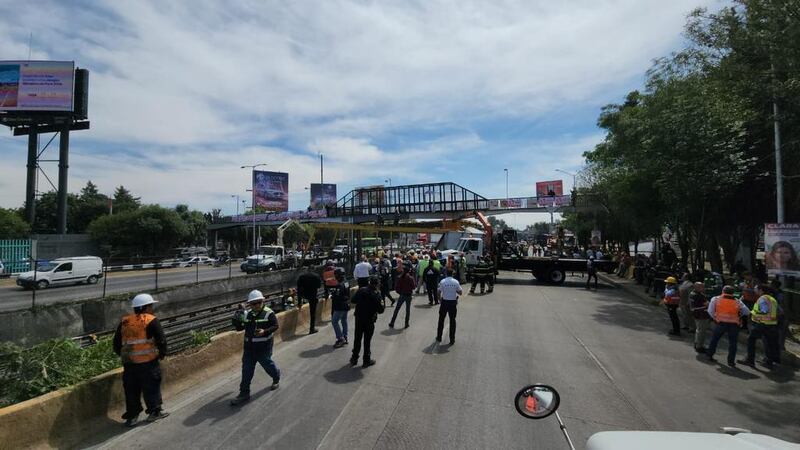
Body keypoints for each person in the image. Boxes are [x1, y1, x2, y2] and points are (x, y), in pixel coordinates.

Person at [113, 293, 168, 427]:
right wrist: (161, 354)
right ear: (146, 307)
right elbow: (161, 340)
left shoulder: (125, 321)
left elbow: (116, 344)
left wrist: (125, 356)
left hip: (130, 364)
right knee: (151, 387)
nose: (152, 308)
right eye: (151, 305)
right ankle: (154, 412)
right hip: (148, 362)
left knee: (131, 390)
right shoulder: (150, 320)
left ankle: (132, 416)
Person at [230, 290, 281, 405]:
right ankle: (244, 393)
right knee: (246, 370)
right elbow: (240, 328)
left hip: (263, 347)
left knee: (268, 365)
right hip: (249, 348)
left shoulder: (269, 313)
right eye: (254, 303)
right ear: (250, 304)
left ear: (263, 301)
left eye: (259, 302)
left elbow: (275, 326)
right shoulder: (247, 314)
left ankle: (276, 376)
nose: (257, 305)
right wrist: (237, 322)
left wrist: (264, 331)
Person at [706, 285, 751, 367]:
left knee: (714, 340)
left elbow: (710, 311)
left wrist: (715, 318)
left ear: (723, 291)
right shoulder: (737, 301)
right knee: (733, 343)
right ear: (733, 293)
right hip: (734, 325)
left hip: (720, 323)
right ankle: (731, 362)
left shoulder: (715, 299)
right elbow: (747, 312)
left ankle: (709, 355)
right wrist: (739, 315)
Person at [739, 285, 781, 369]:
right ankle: (769, 362)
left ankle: (750, 360)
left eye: (755, 289)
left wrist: (752, 313)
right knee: (769, 342)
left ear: (761, 290)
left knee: (751, 339)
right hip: (771, 324)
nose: (754, 290)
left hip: (762, 324)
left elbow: (764, 311)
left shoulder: (762, 299)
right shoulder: (772, 299)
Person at [351, 276, 384, 368]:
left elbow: (353, 300)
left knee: (357, 338)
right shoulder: (377, 294)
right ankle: (366, 360)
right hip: (369, 320)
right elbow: (381, 310)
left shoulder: (361, 290)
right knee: (367, 341)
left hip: (359, 318)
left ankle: (354, 358)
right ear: (377, 284)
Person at [436, 269, 462, 345]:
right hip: (453, 303)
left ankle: (439, 337)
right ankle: (452, 339)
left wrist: (440, 300)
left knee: (441, 320)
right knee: (452, 321)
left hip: (444, 302)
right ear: (453, 274)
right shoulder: (456, 282)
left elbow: (438, 292)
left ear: (446, 273)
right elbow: (460, 292)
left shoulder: (443, 281)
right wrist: (454, 290)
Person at [389, 262, 416, 328]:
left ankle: (392, 322)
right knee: (408, 310)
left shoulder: (399, 277)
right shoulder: (410, 278)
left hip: (402, 295)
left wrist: (400, 293)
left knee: (397, 309)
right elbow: (414, 287)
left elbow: (396, 288)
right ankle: (406, 323)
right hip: (408, 295)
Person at [297, 269, 322, 334]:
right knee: (313, 313)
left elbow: (298, 288)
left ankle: (300, 303)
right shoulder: (316, 276)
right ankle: (312, 328)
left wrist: (299, 302)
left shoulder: (302, 276)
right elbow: (319, 286)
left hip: (304, 295)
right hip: (313, 295)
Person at [331, 268, 351, 348]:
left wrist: (333, 295)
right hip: (346, 304)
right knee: (344, 321)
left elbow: (338, 296)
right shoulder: (346, 282)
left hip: (340, 306)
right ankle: (345, 337)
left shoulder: (340, 285)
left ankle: (340, 338)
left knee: (334, 321)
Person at [689, 282, 710, 353]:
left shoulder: (692, 293)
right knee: (701, 331)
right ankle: (699, 346)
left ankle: (696, 343)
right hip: (702, 315)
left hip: (696, 314)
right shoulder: (699, 295)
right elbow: (707, 304)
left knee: (698, 330)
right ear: (697, 287)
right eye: (702, 287)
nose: (704, 288)